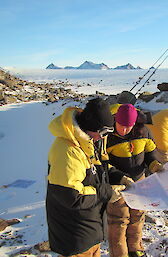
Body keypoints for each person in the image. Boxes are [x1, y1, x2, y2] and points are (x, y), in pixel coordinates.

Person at [46, 98, 125, 257]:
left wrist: (120, 177)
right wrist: (107, 193)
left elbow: (99, 169)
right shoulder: (67, 151)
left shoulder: (88, 141)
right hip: (74, 233)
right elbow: (72, 197)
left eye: (108, 133)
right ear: (91, 126)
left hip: (89, 227)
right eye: (103, 132)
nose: (103, 138)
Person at [106, 104, 163, 257]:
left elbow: (151, 153)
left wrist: (154, 164)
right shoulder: (108, 137)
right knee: (119, 221)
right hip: (118, 186)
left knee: (137, 216)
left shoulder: (144, 132)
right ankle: (119, 254)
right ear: (115, 121)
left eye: (128, 126)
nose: (124, 130)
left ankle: (135, 248)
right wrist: (119, 177)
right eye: (121, 126)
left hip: (139, 182)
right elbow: (103, 163)